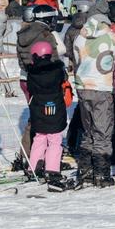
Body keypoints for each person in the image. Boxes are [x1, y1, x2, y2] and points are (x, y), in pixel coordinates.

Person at [73, 11, 115, 186]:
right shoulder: (112, 39)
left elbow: (76, 60)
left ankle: (85, 169)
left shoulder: (79, 38)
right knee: (103, 130)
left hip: (82, 86)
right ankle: (102, 173)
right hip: (103, 87)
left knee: (88, 129)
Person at [26, 40, 73, 189]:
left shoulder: (32, 73)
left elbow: (30, 88)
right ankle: (52, 169)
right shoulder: (58, 70)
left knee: (39, 137)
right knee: (55, 139)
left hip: (38, 108)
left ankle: (33, 167)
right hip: (55, 107)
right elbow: (63, 81)